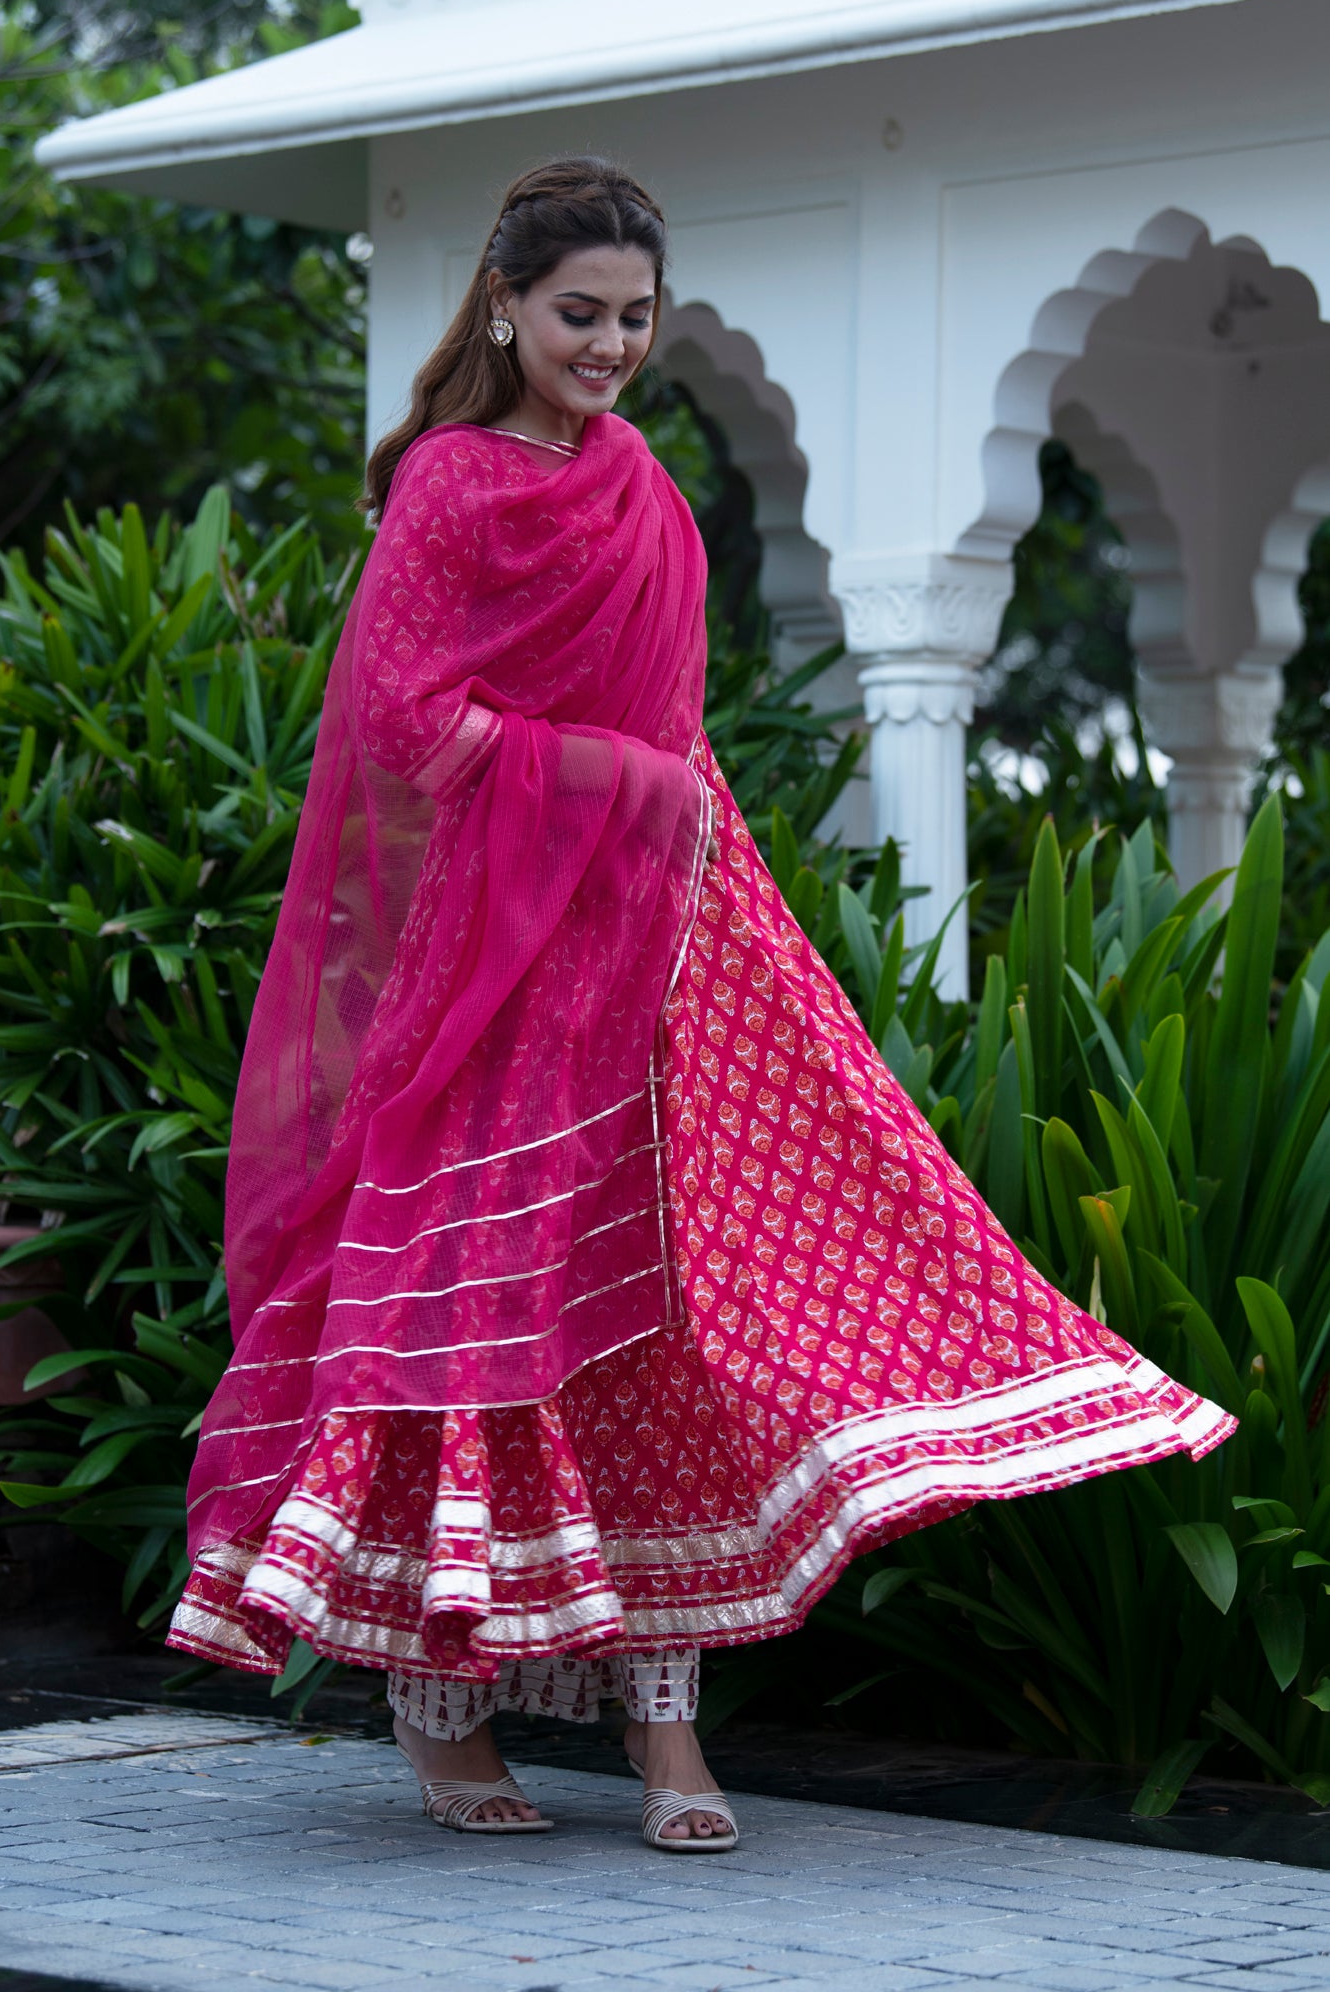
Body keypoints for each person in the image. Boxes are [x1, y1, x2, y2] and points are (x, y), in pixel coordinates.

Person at [167, 156, 1234, 1854]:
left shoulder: (637, 479)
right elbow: (398, 716)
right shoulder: (452, 483)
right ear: (504, 308)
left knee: (677, 1324)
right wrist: (605, 785)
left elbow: (675, 720)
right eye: (577, 314)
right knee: (469, 1316)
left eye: (633, 319)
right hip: (491, 967)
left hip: (667, 944)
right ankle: (441, 1722)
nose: (606, 345)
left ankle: (672, 1743)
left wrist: (663, 841)